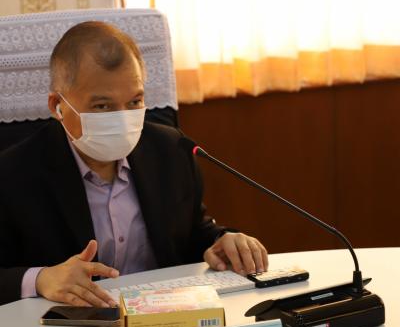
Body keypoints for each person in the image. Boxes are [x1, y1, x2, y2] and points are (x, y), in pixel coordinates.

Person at [0, 21, 268, 307]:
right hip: (68, 321)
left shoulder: (171, 150)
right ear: (58, 106)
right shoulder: (13, 173)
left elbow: (192, 233)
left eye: (134, 102)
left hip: (165, 316)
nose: (122, 118)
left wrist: (221, 241)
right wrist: (41, 279)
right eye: (102, 106)